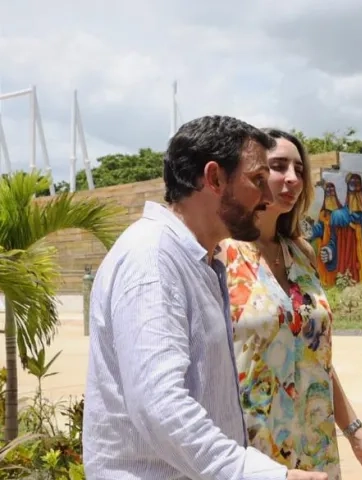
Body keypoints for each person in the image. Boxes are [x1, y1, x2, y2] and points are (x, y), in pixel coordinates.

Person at [83, 116, 327, 480]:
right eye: (258, 180)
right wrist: (265, 475)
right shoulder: (152, 260)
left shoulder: (200, 260)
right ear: (213, 178)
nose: (265, 196)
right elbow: (159, 404)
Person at [218, 129, 362, 480]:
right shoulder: (222, 253)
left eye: (299, 169)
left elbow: (315, 359)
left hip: (316, 450)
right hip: (252, 454)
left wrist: (357, 435)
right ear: (252, 173)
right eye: (278, 166)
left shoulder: (301, 253)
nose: (292, 179)